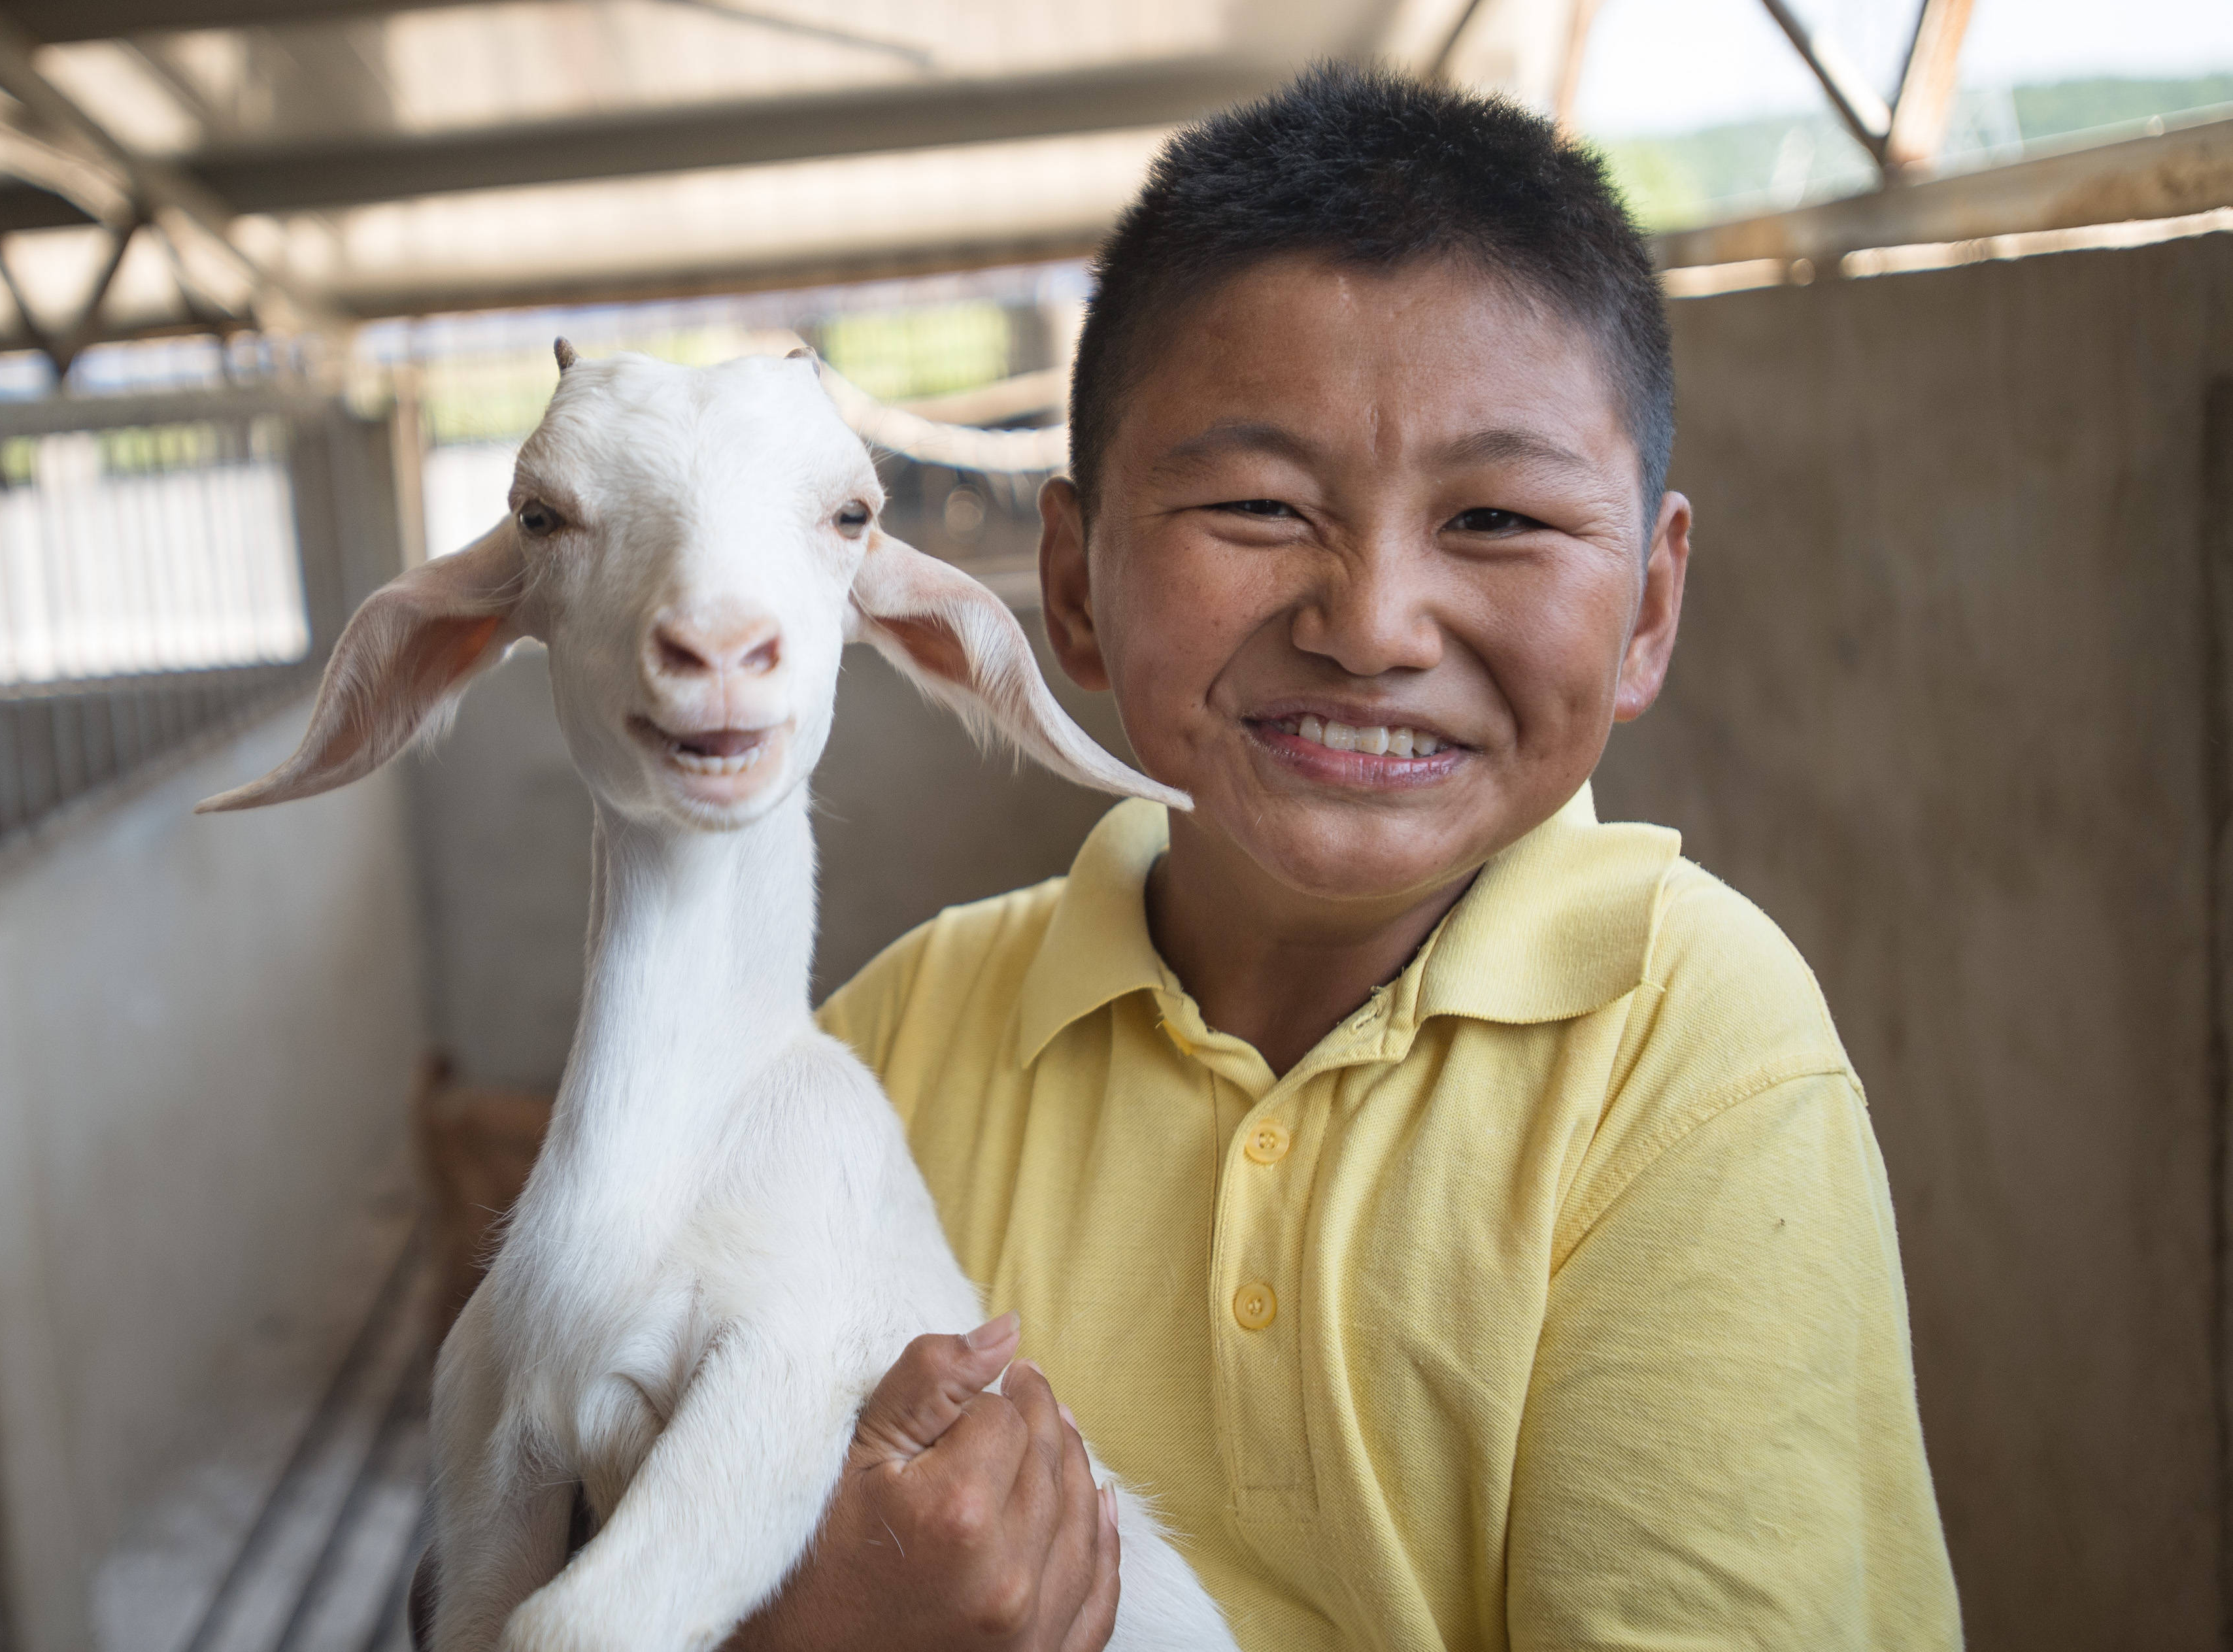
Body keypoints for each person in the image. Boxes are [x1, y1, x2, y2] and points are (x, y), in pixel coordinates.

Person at [614, 59, 1962, 1652]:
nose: (1374, 625)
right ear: (1073, 585)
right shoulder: (896, 1041)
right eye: (1257, 504)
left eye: (1499, 521)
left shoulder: (1686, 1050)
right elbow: (554, 1545)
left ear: (1649, 608)